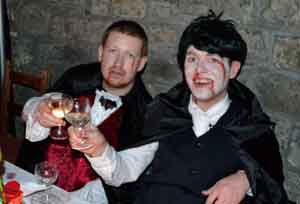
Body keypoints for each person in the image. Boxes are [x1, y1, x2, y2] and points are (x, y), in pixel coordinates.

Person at [69, 11, 288, 204]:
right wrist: (98, 150)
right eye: (192, 59)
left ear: (233, 70)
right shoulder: (164, 112)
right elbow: (122, 172)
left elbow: (272, 184)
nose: (199, 70)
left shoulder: (250, 125)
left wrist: (245, 180)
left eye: (212, 60)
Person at [19, 20, 152, 204]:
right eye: (112, 51)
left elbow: (124, 173)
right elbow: (31, 107)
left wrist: (100, 150)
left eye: (129, 55)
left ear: (140, 64)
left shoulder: (147, 114)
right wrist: (39, 110)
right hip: (41, 186)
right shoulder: (77, 78)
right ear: (101, 53)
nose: (118, 63)